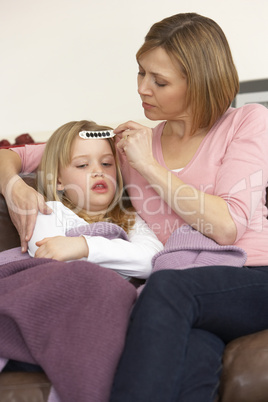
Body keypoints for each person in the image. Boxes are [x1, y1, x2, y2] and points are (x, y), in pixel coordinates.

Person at [1, 11, 268, 402]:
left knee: (167, 288)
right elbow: (16, 156)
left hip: (250, 275)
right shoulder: (119, 141)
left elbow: (227, 226)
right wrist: (13, 189)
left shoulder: (247, 121)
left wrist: (146, 164)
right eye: (141, 73)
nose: (143, 88)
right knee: (193, 357)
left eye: (159, 81)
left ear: (200, 84)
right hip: (189, 293)